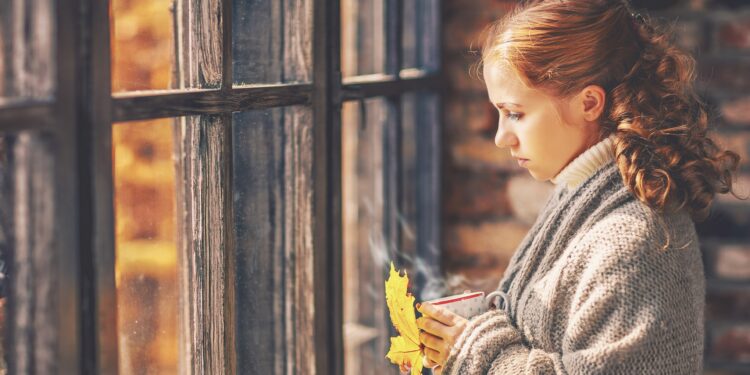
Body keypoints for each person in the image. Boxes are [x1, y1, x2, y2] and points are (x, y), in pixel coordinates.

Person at [402, 0, 743, 374]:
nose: (502, 138)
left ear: (590, 103)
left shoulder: (631, 243)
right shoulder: (578, 196)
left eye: (515, 113)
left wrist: (477, 352)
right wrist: (463, 339)